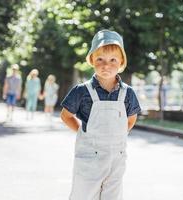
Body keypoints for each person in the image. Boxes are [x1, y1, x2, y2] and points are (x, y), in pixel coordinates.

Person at [60, 29, 141, 200]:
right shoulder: (81, 91)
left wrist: (116, 135)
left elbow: (131, 118)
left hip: (116, 159)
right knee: (84, 195)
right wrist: (84, 134)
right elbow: (66, 115)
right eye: (100, 59)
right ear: (91, 60)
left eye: (113, 60)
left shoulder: (128, 93)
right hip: (89, 157)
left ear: (121, 62)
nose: (106, 65)